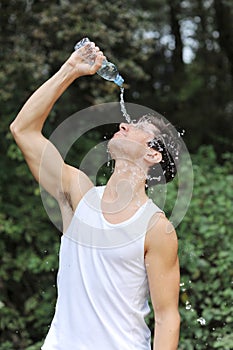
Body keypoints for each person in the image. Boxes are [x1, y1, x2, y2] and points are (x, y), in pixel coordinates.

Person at [10, 40, 180, 350]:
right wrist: (70, 70)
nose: (123, 126)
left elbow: (167, 317)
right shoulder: (78, 193)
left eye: (138, 127)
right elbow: (23, 130)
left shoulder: (155, 228)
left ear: (153, 155)